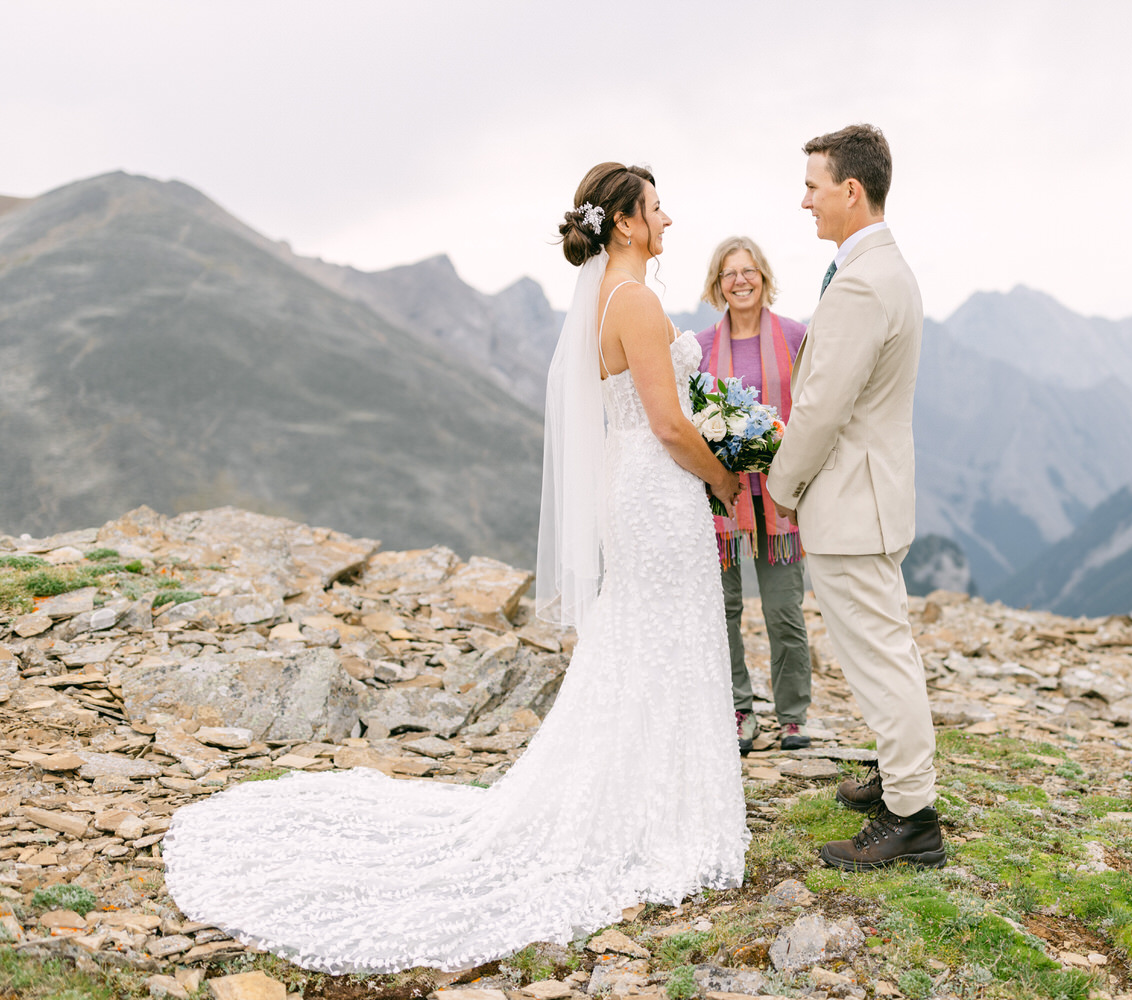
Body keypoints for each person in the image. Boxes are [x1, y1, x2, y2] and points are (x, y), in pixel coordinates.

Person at [162, 162, 750, 973]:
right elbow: (669, 425)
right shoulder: (638, 300)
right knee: (666, 638)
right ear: (624, 222)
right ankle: (657, 814)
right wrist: (724, 476)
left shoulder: (605, 303)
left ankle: (645, 797)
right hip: (660, 491)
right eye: (657, 208)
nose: (669, 220)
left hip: (636, 490)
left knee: (643, 642)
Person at [765, 124, 944, 872]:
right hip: (868, 494)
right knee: (880, 650)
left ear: (850, 189)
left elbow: (823, 407)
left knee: (879, 657)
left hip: (850, 500)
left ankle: (912, 817)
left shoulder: (865, 280)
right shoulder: (875, 268)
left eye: (812, 185)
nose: (802, 199)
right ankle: (897, 776)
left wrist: (780, 487)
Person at [693, 237, 814, 755]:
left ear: (764, 276)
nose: (740, 281)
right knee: (723, 610)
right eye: (728, 274)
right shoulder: (698, 349)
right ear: (717, 285)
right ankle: (738, 709)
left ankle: (792, 716)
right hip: (721, 496)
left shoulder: (796, 336)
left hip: (780, 496)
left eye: (748, 272)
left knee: (784, 610)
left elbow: (813, 404)